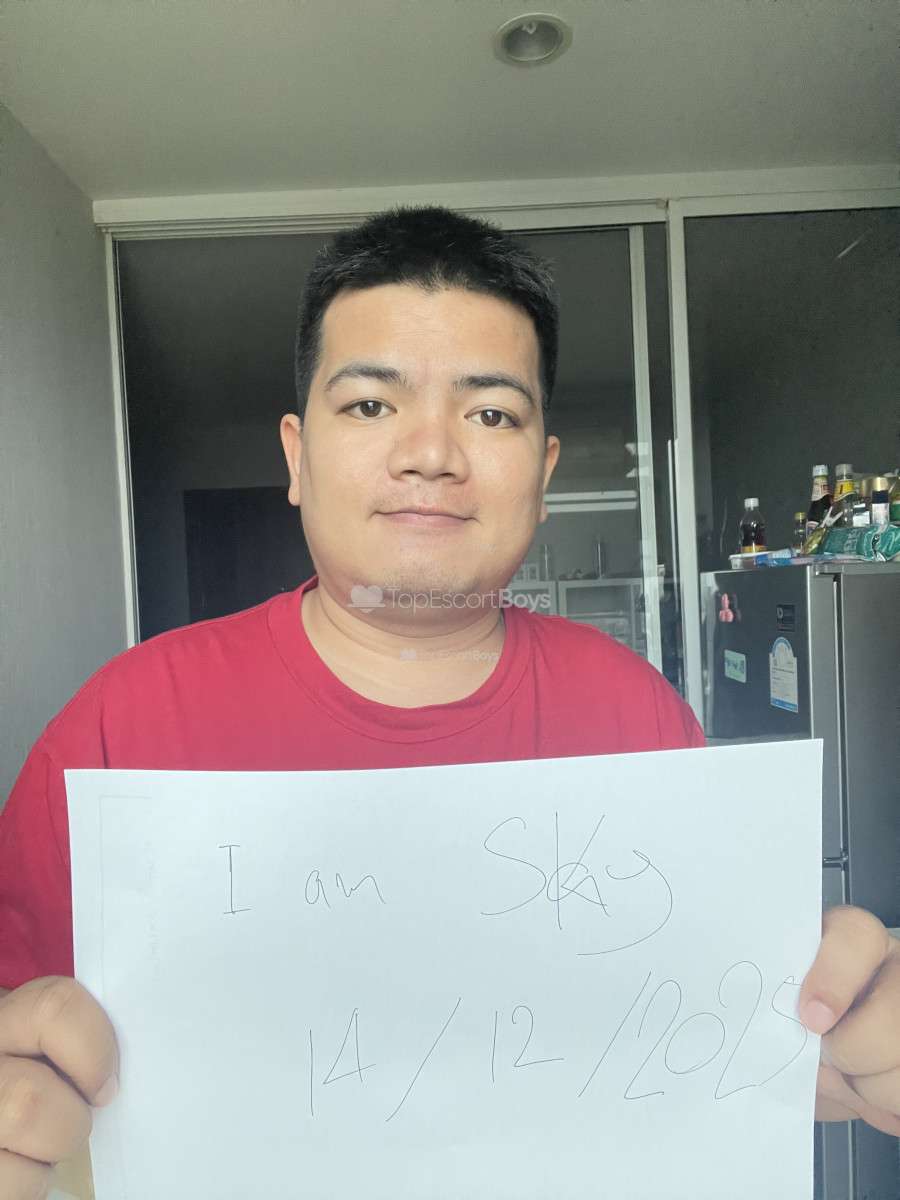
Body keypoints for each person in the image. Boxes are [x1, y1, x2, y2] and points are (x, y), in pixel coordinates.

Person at [0, 207, 897, 1196]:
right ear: (296, 457)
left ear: (543, 475)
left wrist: (837, 1036)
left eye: (492, 414)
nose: (430, 452)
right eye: (370, 405)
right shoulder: (122, 724)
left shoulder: (635, 719)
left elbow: (710, 1037)